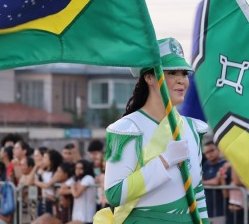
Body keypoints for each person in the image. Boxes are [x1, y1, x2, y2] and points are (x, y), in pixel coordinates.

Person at [97, 38, 209, 223]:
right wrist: (164, 161)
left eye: (184, 73)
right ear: (149, 77)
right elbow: (114, 194)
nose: (182, 81)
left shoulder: (194, 129)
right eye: (172, 73)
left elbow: (197, 192)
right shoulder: (125, 130)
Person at [202, 141, 228, 224]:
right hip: (207, 210)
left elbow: (216, 182)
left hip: (220, 210)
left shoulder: (224, 164)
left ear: (218, 150)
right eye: (206, 152)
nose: (209, 154)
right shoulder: (206, 164)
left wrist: (203, 182)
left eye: (212, 150)